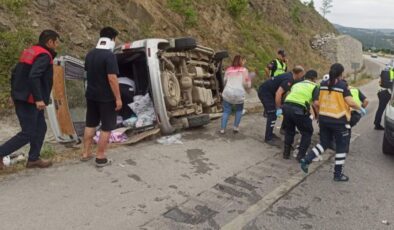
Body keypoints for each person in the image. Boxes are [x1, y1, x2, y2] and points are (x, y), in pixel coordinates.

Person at [0, 30, 60, 169]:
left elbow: (15, 72)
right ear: (50, 42)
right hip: (30, 100)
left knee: (40, 128)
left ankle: (33, 159)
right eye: (56, 42)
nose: (57, 45)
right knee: (28, 132)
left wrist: (14, 93)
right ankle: (1, 152)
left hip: (23, 96)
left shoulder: (30, 51)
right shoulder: (44, 55)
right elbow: (34, 76)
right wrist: (39, 99)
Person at [300, 63, 366, 182]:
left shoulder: (323, 84)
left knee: (324, 143)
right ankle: (337, 174)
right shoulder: (342, 85)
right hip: (339, 120)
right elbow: (350, 102)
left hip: (324, 119)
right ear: (341, 73)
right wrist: (360, 108)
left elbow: (318, 101)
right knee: (341, 147)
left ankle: (307, 160)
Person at [81, 27, 122, 167]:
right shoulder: (109, 56)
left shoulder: (90, 54)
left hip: (91, 96)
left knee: (90, 124)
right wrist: (118, 97)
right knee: (106, 127)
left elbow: (87, 74)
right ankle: (100, 157)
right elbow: (112, 78)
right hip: (106, 98)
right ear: (112, 39)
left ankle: (85, 153)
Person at [258, 66, 305, 145]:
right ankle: (268, 137)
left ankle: (282, 129)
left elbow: (284, 92)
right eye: (302, 74)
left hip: (270, 92)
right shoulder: (289, 79)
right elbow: (278, 93)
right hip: (265, 92)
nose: (302, 76)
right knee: (272, 114)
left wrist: (284, 104)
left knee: (284, 109)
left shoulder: (291, 77)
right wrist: (278, 107)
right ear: (299, 73)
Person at [282, 70, 319, 161]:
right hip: (299, 109)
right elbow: (316, 103)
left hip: (286, 107)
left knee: (289, 130)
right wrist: (318, 115)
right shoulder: (315, 86)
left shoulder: (296, 84)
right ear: (314, 79)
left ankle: (286, 153)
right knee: (307, 132)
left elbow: (288, 94)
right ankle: (301, 156)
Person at [220, 55, 251, 134]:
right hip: (239, 93)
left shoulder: (228, 70)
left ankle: (222, 129)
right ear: (241, 61)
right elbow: (246, 83)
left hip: (228, 92)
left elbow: (225, 81)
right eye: (243, 60)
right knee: (239, 110)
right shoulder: (244, 70)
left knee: (226, 111)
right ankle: (235, 127)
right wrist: (248, 88)